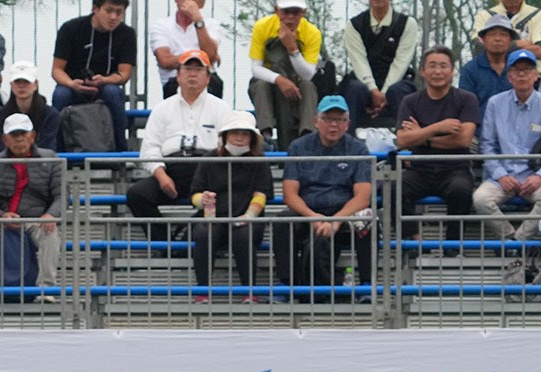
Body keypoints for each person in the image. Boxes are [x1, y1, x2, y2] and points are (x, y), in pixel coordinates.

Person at [273, 95, 372, 301]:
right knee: (283, 220)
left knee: (367, 218)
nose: (333, 125)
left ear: (348, 124)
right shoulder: (298, 147)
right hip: (307, 211)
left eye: (340, 119)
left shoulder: (358, 149)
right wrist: (313, 217)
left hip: (345, 212)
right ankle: (286, 284)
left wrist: (336, 220)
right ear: (316, 121)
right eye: (328, 119)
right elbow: (290, 194)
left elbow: (362, 197)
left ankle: (366, 284)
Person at [127, 50, 231, 241]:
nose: (192, 74)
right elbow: (149, 147)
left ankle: (187, 240)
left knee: (225, 199)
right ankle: (163, 242)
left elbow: (228, 146)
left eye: (199, 69)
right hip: (172, 170)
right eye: (188, 69)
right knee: (137, 194)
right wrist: (161, 176)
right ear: (178, 75)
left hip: (207, 171)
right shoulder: (162, 109)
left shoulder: (221, 108)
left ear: (208, 78)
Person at [0, 114, 64, 302]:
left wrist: (51, 214)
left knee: (50, 232)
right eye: (14, 135)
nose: (19, 139)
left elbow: (62, 195)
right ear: (5, 139)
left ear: (32, 136)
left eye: (23, 134)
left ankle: (46, 287)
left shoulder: (51, 159)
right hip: (2, 217)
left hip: (36, 217)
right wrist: (0, 215)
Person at [472, 49, 541, 241]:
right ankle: (509, 236)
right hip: (502, 176)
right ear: (509, 76)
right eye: (516, 70)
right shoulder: (495, 103)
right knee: (480, 199)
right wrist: (500, 175)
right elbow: (487, 144)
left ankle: (518, 240)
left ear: (536, 75)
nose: (522, 74)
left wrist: (540, 176)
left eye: (527, 70)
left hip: (535, 176)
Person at [395, 47, 480, 241]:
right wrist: (437, 128)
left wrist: (421, 135)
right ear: (422, 71)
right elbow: (402, 140)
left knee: (461, 190)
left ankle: (453, 245)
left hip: (455, 169)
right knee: (392, 189)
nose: (438, 71)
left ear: (452, 71)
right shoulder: (410, 101)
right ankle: (413, 239)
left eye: (443, 66)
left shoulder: (466, 99)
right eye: (432, 66)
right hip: (420, 169)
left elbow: (463, 140)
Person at [188, 111, 273, 302]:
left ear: (252, 138)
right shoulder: (209, 159)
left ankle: (249, 293)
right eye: (235, 133)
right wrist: (203, 200)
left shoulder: (260, 161)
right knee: (203, 233)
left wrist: (249, 216)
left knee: (243, 235)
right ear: (225, 135)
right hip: (214, 218)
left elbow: (261, 194)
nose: (240, 138)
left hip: (247, 219)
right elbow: (194, 194)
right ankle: (202, 292)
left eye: (245, 134)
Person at [52, 0, 136, 152]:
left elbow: (124, 74)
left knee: (113, 92)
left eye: (119, 13)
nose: (113, 17)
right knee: (60, 94)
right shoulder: (71, 28)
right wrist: (71, 83)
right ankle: (59, 152)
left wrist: (105, 80)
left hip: (104, 86)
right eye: (109, 11)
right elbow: (57, 70)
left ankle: (121, 152)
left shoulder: (127, 34)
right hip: (73, 85)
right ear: (95, 9)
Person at [247, 0, 323, 149]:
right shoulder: (262, 27)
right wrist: (279, 80)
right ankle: (266, 135)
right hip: (269, 82)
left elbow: (308, 75)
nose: (290, 17)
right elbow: (256, 68)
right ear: (277, 11)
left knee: (308, 86)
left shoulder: (312, 33)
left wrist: (293, 49)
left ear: (303, 13)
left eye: (295, 12)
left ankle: (307, 136)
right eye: (286, 12)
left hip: (298, 84)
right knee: (260, 85)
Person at [338, 0, 418, 132]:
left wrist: (385, 92)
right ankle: (347, 145)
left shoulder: (408, 24)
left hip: (397, 82)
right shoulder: (354, 25)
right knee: (354, 89)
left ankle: (409, 142)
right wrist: (373, 90)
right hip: (363, 82)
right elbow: (359, 61)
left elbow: (401, 62)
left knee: (398, 91)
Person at [149, 0, 224, 98]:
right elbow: (165, 60)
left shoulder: (212, 24)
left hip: (207, 80)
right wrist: (201, 55)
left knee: (214, 84)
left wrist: (198, 21)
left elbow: (209, 54)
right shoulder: (161, 26)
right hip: (174, 81)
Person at [458, 15, 515, 123]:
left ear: (510, 40)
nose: (498, 39)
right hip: (478, 134)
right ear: (482, 39)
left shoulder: (518, 68)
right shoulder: (470, 70)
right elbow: (465, 108)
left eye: (503, 35)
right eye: (492, 34)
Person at [0, 62, 61, 152]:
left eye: (26, 81)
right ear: (11, 85)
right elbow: (0, 147)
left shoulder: (51, 115)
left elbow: (48, 147)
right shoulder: (0, 116)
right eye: (17, 81)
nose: (22, 86)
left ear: (36, 84)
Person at [470, 0, 541, 70]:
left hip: (529, 79)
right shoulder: (484, 16)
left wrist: (495, 49)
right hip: (490, 74)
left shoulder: (538, 14)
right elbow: (480, 49)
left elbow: (540, 51)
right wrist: (516, 45)